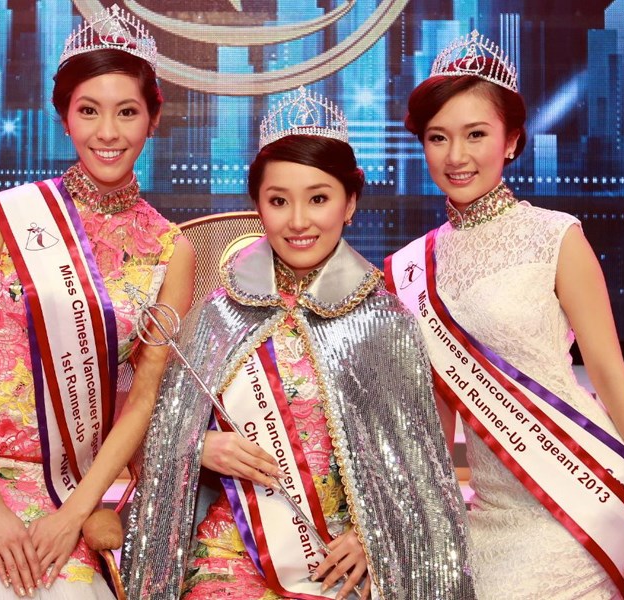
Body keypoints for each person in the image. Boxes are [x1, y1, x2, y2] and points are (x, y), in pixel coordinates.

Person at [120, 86, 475, 599]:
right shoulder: (217, 315)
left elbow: (420, 476)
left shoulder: (385, 324)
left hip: (341, 562)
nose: (299, 221)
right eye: (278, 201)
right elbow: (157, 432)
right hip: (225, 554)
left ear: (350, 203)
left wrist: (373, 538)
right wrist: (199, 447)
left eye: (319, 199)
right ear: (258, 207)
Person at [385, 30, 624, 600]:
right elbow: (438, 417)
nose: (456, 156)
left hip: (587, 497)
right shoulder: (411, 268)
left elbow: (611, 380)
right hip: (490, 512)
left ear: (511, 139)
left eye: (476, 134)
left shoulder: (556, 237)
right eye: (438, 138)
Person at [0, 5, 194, 598]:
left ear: (154, 117)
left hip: (70, 485)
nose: (107, 133)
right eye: (88, 111)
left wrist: (75, 513)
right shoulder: (1, 218)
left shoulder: (173, 250)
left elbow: (143, 401)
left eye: (127, 112)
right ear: (63, 116)